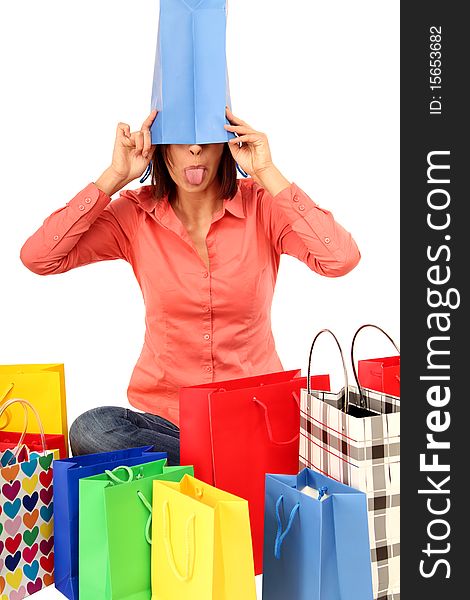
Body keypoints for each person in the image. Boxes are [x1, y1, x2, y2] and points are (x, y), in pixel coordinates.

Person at [20, 107, 360, 465]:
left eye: (206, 139)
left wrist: (267, 172)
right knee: (93, 429)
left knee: (256, 440)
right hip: (169, 423)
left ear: (227, 144)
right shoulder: (135, 216)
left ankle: (214, 469)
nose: (194, 150)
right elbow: (40, 257)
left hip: (253, 414)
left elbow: (340, 258)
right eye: (181, 139)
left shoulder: (262, 206)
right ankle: (230, 468)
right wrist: (114, 177)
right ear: (162, 147)